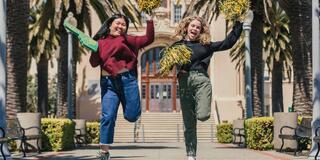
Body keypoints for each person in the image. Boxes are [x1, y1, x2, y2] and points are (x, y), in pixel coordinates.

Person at [172, 16, 243, 160]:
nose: (195, 29)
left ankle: (201, 108)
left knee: (203, 115)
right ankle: (191, 154)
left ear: (201, 30)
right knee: (188, 122)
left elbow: (227, 43)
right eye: (192, 26)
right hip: (184, 83)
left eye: (198, 27)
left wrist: (238, 24)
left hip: (201, 80)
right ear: (186, 27)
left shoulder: (206, 45)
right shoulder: (176, 46)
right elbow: (166, 63)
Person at [89, 13, 154, 160]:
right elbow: (93, 63)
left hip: (127, 81)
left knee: (132, 116)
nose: (120, 26)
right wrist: (94, 49)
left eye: (123, 24)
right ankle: (104, 152)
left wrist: (150, 20)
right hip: (108, 83)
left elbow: (149, 39)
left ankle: (132, 113)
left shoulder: (129, 39)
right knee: (108, 116)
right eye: (118, 23)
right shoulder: (100, 42)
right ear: (110, 24)